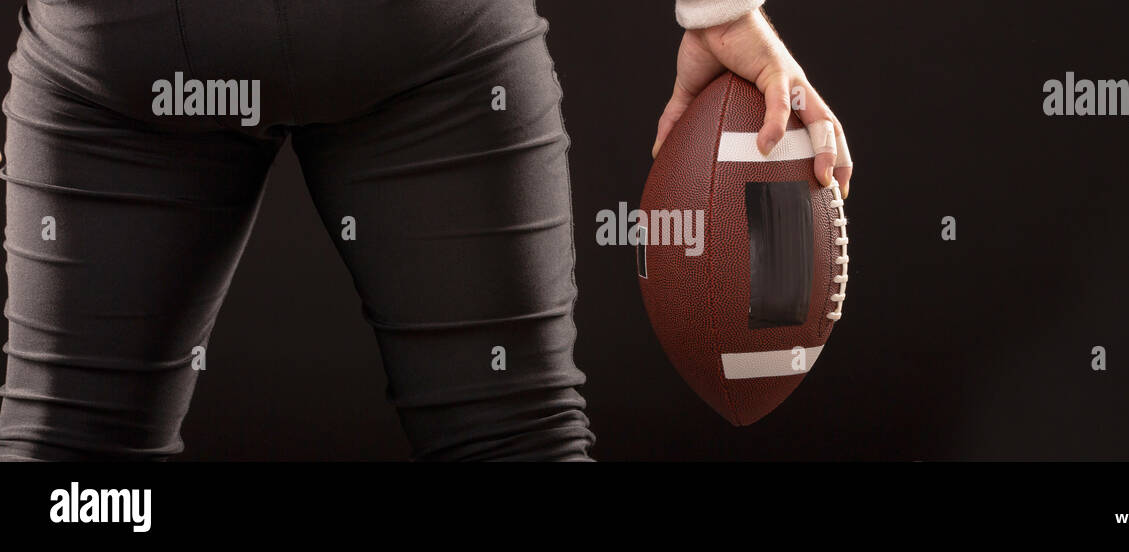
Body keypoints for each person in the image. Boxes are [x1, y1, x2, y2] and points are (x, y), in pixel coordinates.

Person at [0, 0, 852, 461]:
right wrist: (720, 8)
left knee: (80, 470)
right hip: (417, 28)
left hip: (134, 33)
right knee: (512, 440)